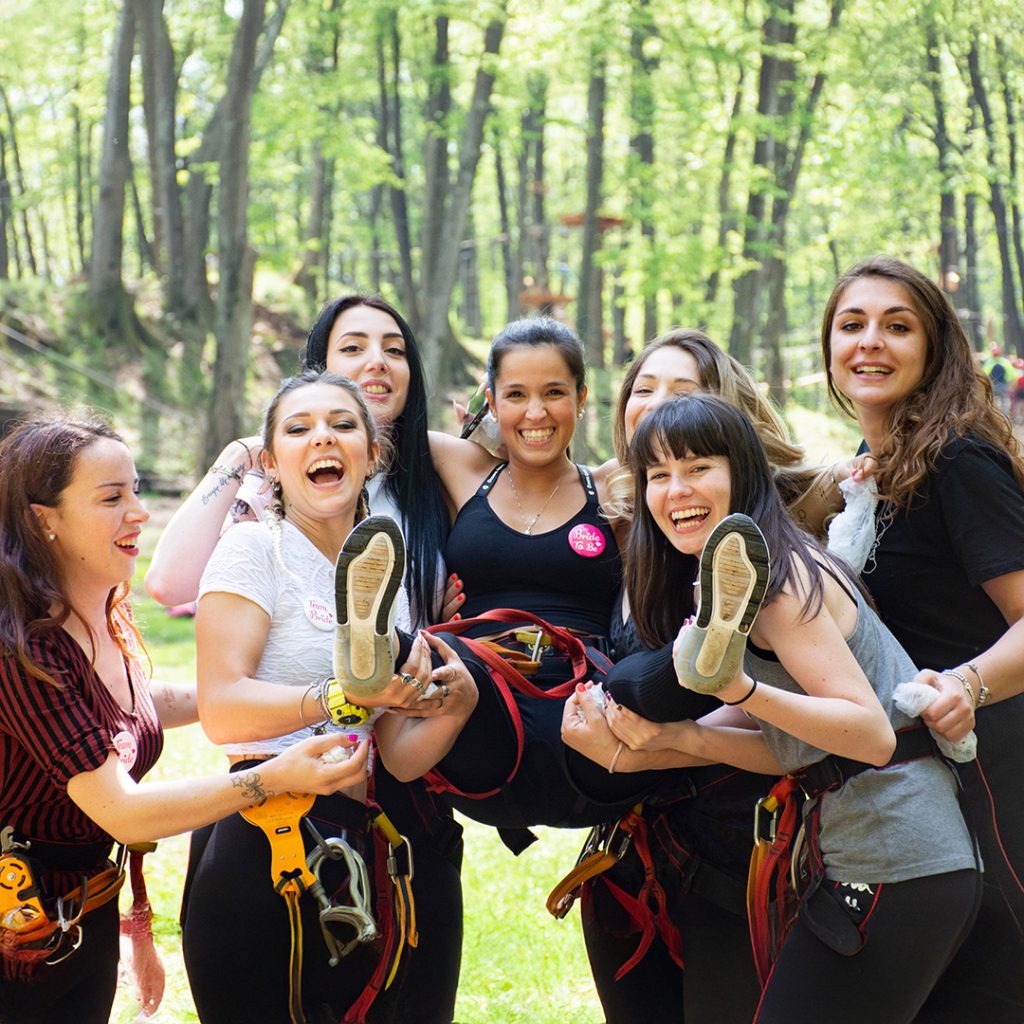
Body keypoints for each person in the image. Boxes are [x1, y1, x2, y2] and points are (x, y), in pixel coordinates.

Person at [563, 394, 980, 1023]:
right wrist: (662, 743)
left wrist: (739, 690)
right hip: (897, 859)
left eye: (698, 467)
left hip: (897, 857)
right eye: (658, 475)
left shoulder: (779, 582)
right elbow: (797, 747)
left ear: (743, 473)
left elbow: (871, 736)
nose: (677, 490)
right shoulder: (748, 576)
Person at [146, 294, 466, 1021]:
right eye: (299, 428)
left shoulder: (386, 576)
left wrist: (453, 703)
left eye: (344, 425)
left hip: (369, 836)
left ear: (373, 454)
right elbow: (224, 710)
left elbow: (399, 754)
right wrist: (342, 696)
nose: (323, 437)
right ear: (270, 463)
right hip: (264, 840)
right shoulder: (253, 549)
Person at [0, 418, 370, 1024]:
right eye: (111, 498)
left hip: (74, 916)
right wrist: (273, 777)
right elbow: (124, 812)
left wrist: (274, 693)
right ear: (45, 520)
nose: (139, 512)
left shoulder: (94, 615)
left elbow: (137, 702)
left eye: (136, 490)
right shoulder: (21, 648)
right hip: (19, 936)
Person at [575, 328, 813, 1023]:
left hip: (737, 838)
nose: (656, 404)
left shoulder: (775, 531)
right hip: (631, 838)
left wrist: (673, 740)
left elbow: (805, 727)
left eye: (682, 392)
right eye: (642, 389)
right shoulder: (626, 518)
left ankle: (699, 652)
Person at [821, 256, 1024, 1023]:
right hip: (920, 793)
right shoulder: (872, 474)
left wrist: (965, 684)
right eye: (852, 324)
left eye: (896, 326)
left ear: (935, 349)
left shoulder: (958, 462)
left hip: (995, 779)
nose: (870, 341)